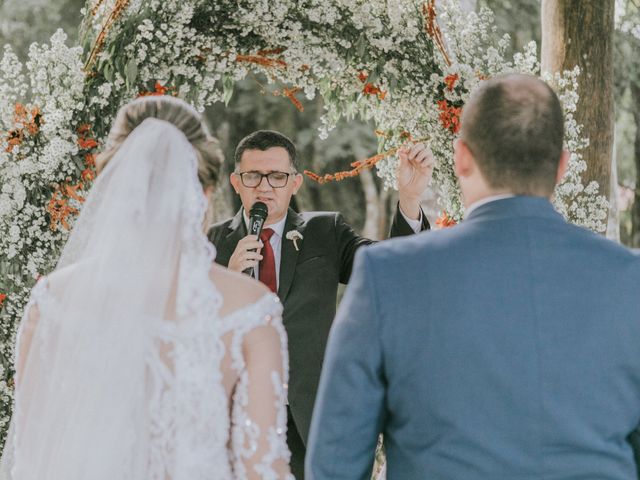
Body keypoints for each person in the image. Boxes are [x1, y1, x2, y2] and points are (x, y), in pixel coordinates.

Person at [306, 73, 640, 479]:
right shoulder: (630, 279)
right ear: (562, 166)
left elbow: (335, 463)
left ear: (462, 157)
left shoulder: (387, 275)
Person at [0, 96, 293, 480]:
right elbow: (262, 470)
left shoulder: (53, 301)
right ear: (204, 194)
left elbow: (31, 458)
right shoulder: (250, 311)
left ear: (116, 182)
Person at [208, 130, 434, 478]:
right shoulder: (210, 243)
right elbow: (191, 331)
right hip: (236, 424)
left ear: (295, 182)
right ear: (236, 182)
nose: (264, 186)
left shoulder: (325, 232)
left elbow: (391, 272)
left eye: (277, 176)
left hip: (314, 424)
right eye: (253, 176)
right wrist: (226, 277)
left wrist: (409, 201)